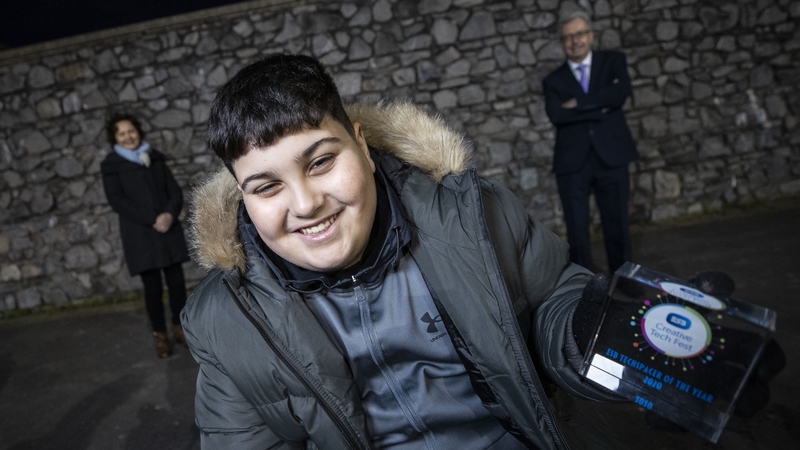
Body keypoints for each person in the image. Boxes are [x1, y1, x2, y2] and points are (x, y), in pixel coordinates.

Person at [181, 53, 624, 450]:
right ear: (244, 198)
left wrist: (605, 337)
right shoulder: (224, 320)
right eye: (267, 187)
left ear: (361, 146)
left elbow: (558, 302)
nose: (305, 204)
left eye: (320, 162)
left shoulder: (473, 217)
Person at [542, 10, 639, 284]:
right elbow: (557, 115)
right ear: (562, 43)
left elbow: (619, 95)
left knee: (617, 222)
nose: (575, 41)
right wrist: (600, 107)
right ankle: (585, 285)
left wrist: (579, 104)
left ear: (591, 35)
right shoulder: (553, 80)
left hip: (613, 155)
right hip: (573, 163)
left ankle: (625, 280)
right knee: (577, 229)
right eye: (568, 37)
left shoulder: (614, 62)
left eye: (580, 34)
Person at [101, 114, 190, 358]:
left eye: (131, 131)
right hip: (142, 236)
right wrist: (154, 218)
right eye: (122, 133)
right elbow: (118, 201)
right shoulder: (111, 165)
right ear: (115, 138)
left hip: (167, 231)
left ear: (138, 131)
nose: (128, 136)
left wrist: (169, 215)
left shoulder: (155, 157)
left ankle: (181, 329)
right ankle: (160, 336)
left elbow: (174, 191)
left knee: (177, 285)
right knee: (152, 289)